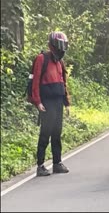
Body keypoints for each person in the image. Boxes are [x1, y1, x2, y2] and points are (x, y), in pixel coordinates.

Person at [31, 31, 71, 176]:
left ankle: (57, 163)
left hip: (58, 101)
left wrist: (66, 102)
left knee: (57, 133)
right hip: (46, 102)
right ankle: (40, 165)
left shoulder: (59, 62)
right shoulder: (42, 59)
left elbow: (63, 82)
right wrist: (38, 101)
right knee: (45, 133)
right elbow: (35, 81)